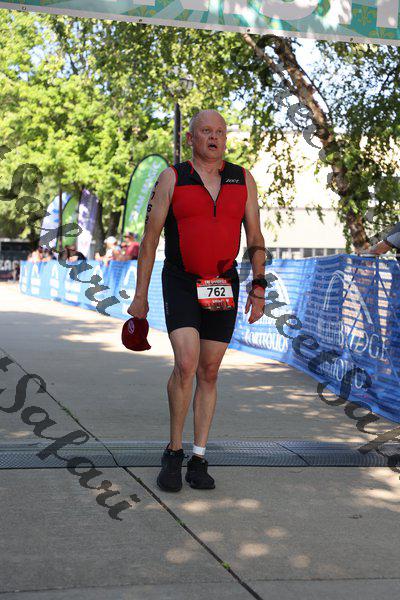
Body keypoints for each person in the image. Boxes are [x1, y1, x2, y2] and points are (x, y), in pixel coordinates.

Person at [127, 109, 268, 493]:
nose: (214, 137)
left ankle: (199, 457)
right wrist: (140, 296)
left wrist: (259, 285)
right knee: (186, 364)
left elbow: (255, 237)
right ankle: (174, 451)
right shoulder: (172, 178)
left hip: (223, 284)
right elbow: (150, 239)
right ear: (191, 138)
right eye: (206, 131)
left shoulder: (243, 179)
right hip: (182, 281)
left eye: (220, 131)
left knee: (209, 371)